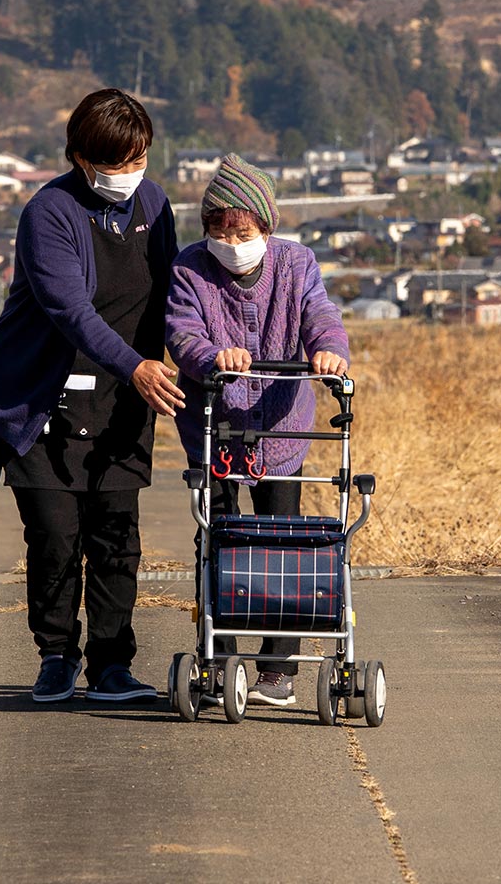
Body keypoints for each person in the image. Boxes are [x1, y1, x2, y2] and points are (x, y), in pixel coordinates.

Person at [0, 89, 183, 704]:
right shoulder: (50, 213)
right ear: (78, 156)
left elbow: (174, 292)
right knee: (55, 535)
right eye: (113, 162)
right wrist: (138, 367)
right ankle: (56, 656)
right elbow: (71, 311)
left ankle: (113, 664)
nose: (127, 174)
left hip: (123, 392)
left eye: (138, 158)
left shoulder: (154, 202)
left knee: (118, 535)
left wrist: (202, 353)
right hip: (41, 394)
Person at [165, 153, 349, 708]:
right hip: (213, 424)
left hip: (281, 428)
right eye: (219, 228)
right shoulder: (190, 269)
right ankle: (218, 654)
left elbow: (320, 313)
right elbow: (181, 331)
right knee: (219, 534)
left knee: (282, 540)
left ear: (266, 228)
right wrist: (211, 356)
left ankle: (277, 664)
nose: (230, 239)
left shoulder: (296, 264)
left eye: (242, 230)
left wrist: (328, 352)